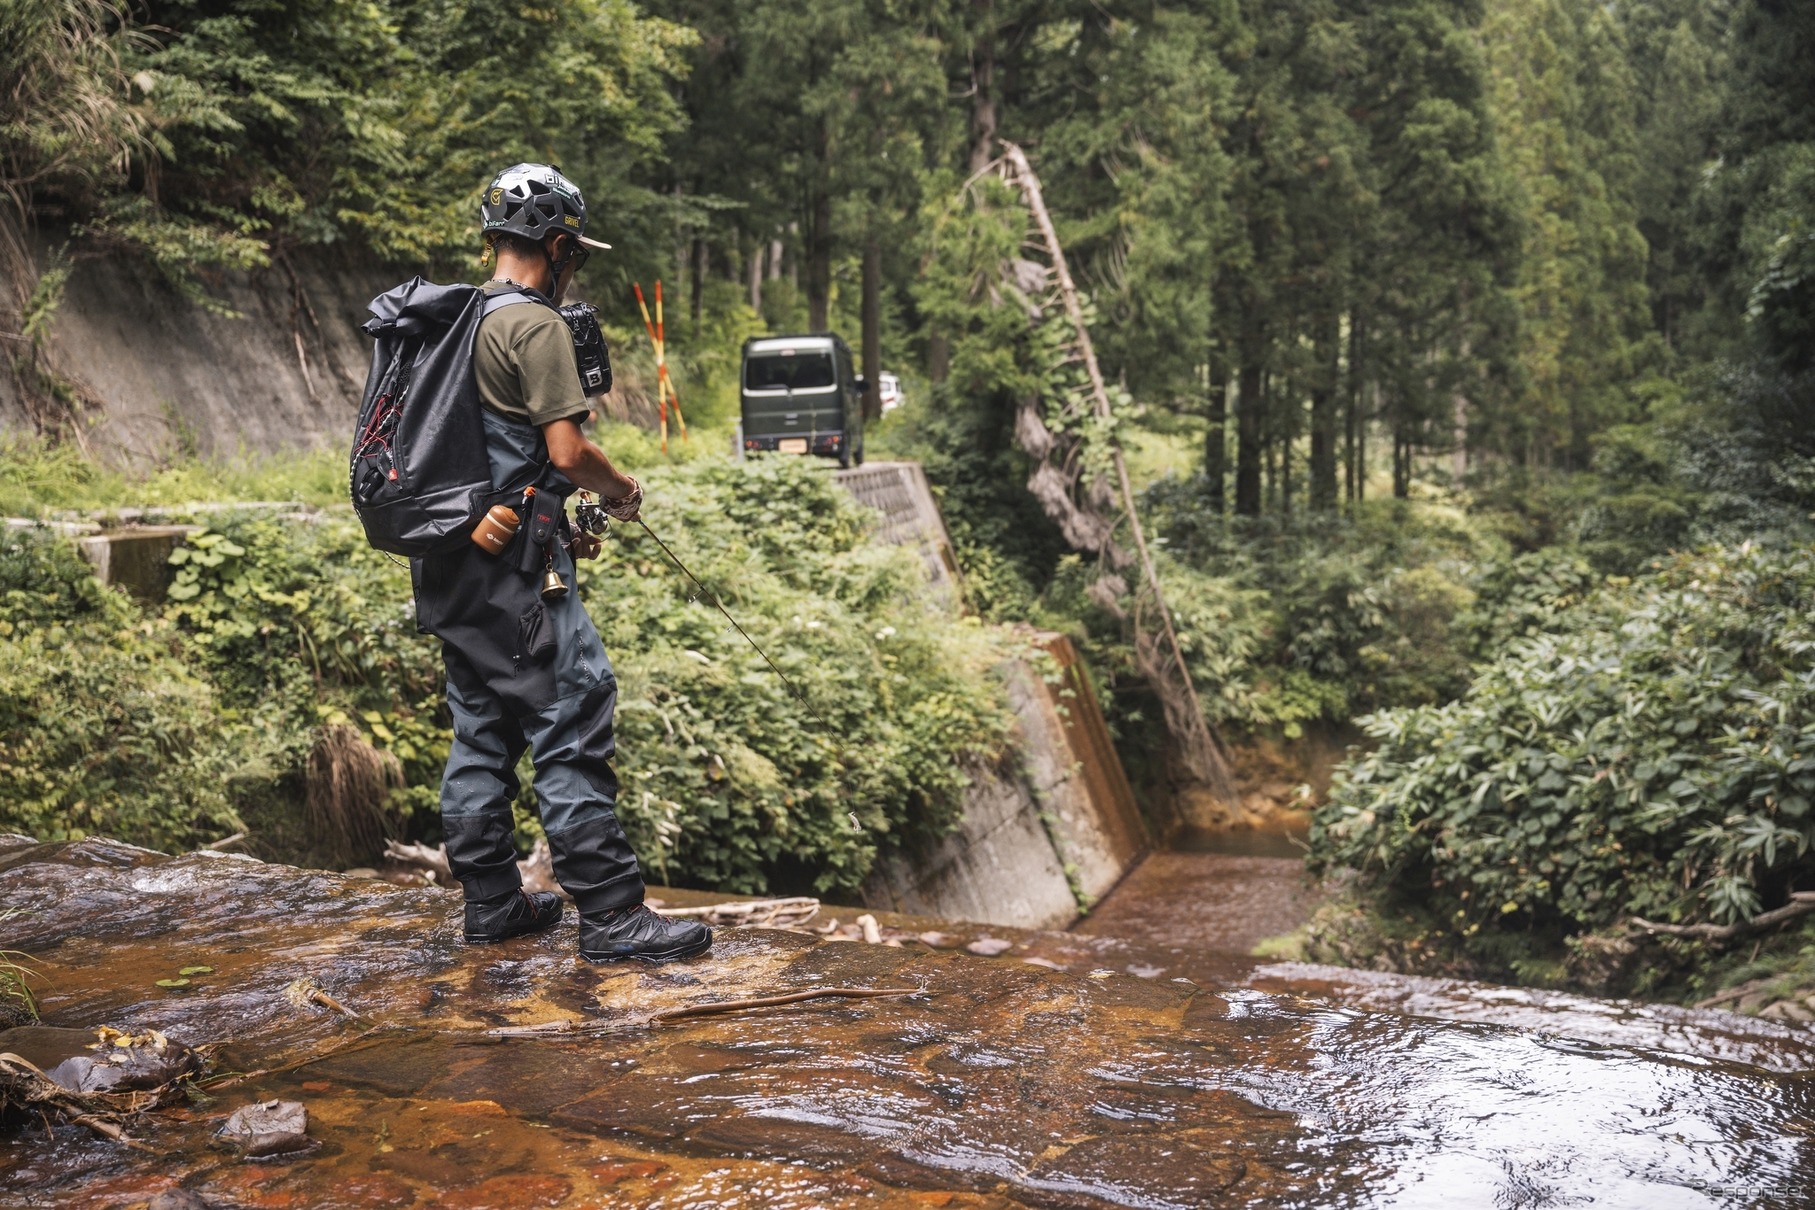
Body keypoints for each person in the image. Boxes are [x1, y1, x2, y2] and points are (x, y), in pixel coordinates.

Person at [413, 163, 710, 963]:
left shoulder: (449, 321)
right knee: (572, 710)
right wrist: (621, 491)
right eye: (572, 249)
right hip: (516, 569)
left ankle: (490, 905)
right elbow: (568, 451)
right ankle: (613, 917)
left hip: (450, 561)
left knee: (480, 723)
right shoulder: (534, 326)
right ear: (556, 244)